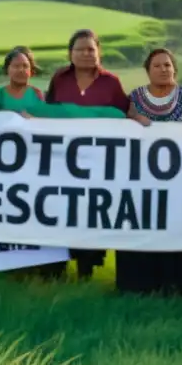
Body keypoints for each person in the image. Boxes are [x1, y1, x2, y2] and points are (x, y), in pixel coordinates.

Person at [116, 48, 182, 295]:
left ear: (174, 69)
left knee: (176, 224)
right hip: (142, 179)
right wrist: (134, 120)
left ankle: (179, 282)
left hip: (179, 179)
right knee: (143, 222)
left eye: (167, 65)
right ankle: (140, 282)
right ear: (147, 70)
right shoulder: (134, 98)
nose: (163, 69)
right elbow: (122, 125)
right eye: (157, 65)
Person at [44, 29, 131, 280]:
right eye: (80, 49)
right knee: (60, 208)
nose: (85, 54)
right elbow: (49, 112)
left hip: (98, 161)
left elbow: (123, 116)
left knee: (90, 210)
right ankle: (56, 266)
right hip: (63, 159)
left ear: (99, 52)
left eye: (91, 49)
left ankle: (87, 268)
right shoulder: (60, 79)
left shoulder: (111, 82)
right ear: (70, 54)